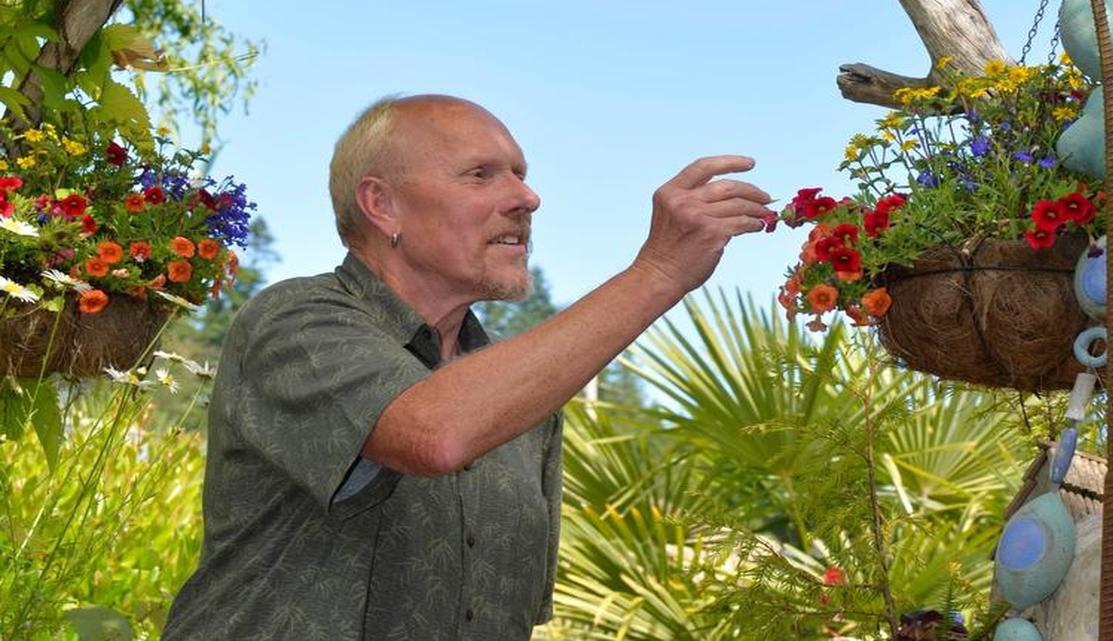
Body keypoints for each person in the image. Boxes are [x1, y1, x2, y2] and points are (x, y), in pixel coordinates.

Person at [162, 94, 775, 640]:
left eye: (521, 175)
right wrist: (659, 274)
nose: (526, 198)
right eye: (480, 175)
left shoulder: (520, 394)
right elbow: (431, 433)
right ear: (382, 205)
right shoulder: (296, 320)